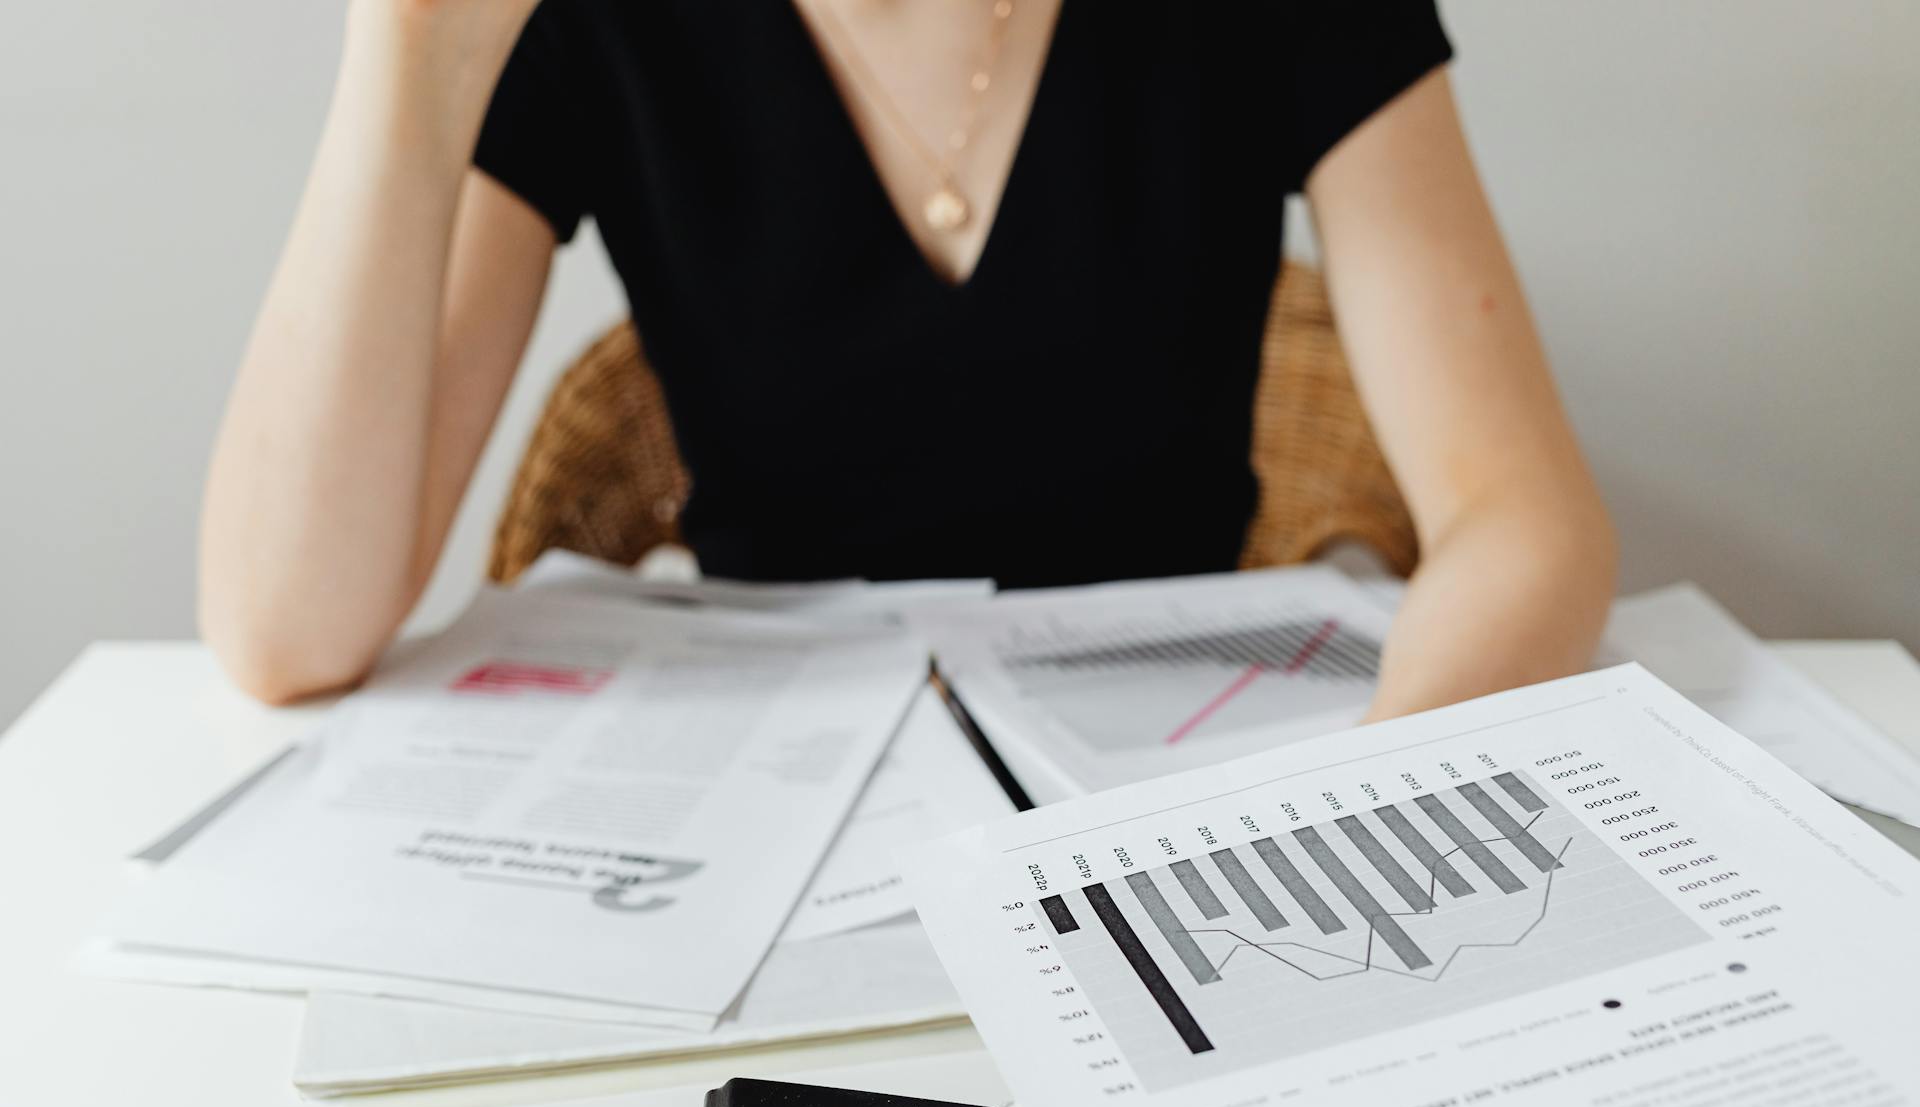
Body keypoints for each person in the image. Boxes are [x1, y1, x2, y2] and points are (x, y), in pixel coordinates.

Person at [199, 0, 1616, 720]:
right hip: (771, 809)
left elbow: (1522, 521)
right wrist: (405, 53)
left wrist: (1374, 802)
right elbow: (283, 632)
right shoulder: (598, 21)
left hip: (1170, 770)